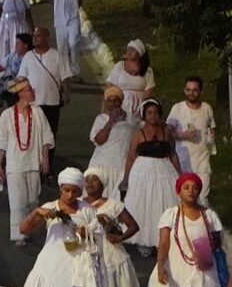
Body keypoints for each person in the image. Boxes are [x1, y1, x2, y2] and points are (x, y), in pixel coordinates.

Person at [146, 172, 225, 287]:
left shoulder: (209, 215)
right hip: (176, 271)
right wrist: (160, 267)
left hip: (203, 271)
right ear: (179, 192)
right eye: (186, 187)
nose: (191, 191)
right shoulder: (171, 215)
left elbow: (217, 242)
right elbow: (164, 243)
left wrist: (205, 248)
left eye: (195, 188)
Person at [0, 78, 54, 245]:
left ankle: (28, 229)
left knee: (33, 199)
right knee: (17, 200)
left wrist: (45, 159)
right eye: (29, 89)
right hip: (14, 164)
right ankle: (19, 234)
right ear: (20, 93)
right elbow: (1, 141)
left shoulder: (37, 112)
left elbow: (46, 136)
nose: (33, 91)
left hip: (33, 163)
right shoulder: (7, 115)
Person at [123, 99, 181, 255]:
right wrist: (126, 178)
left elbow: (173, 154)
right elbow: (130, 156)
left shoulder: (166, 133)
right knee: (145, 204)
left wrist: (180, 175)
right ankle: (144, 242)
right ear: (144, 115)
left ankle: (161, 241)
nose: (153, 116)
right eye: (149, 113)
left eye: (155, 112)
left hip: (164, 170)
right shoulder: (138, 134)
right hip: (143, 172)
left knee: (163, 203)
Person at [82, 169, 141, 287]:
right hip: (86, 250)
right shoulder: (79, 203)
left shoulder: (113, 204)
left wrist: (120, 238)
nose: (90, 183)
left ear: (103, 185)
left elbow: (133, 226)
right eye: (87, 180)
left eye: (95, 180)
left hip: (110, 253)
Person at [166, 76, 218, 205]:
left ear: (200, 91)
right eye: (188, 90)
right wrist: (183, 136)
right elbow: (167, 132)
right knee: (184, 198)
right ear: (184, 90)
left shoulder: (206, 108)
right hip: (183, 162)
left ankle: (206, 223)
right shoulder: (177, 108)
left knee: (203, 199)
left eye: (195, 90)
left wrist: (211, 143)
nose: (191, 93)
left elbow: (212, 128)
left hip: (203, 162)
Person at [16, 27, 71, 145]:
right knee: (34, 133)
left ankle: (48, 160)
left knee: (50, 133)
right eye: (34, 36)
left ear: (47, 38)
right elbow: (21, 78)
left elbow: (65, 76)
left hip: (52, 102)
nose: (35, 39)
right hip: (33, 102)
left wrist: (66, 93)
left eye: (39, 36)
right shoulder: (28, 56)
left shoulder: (57, 55)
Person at [87, 86, 133, 197]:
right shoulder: (101, 118)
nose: (113, 103)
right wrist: (111, 120)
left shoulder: (131, 119)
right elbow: (99, 140)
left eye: (116, 100)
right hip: (103, 163)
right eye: (110, 100)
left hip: (121, 164)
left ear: (120, 102)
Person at [46, 0, 84, 78]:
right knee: (62, 48)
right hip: (60, 21)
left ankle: (75, 72)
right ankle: (65, 73)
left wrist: (73, 9)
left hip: (73, 19)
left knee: (74, 45)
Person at [105, 39, 156, 120]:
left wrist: (142, 107)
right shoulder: (120, 65)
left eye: (133, 50)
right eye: (128, 49)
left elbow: (149, 91)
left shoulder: (147, 70)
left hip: (138, 106)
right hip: (120, 103)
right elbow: (110, 85)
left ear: (139, 53)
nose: (129, 52)